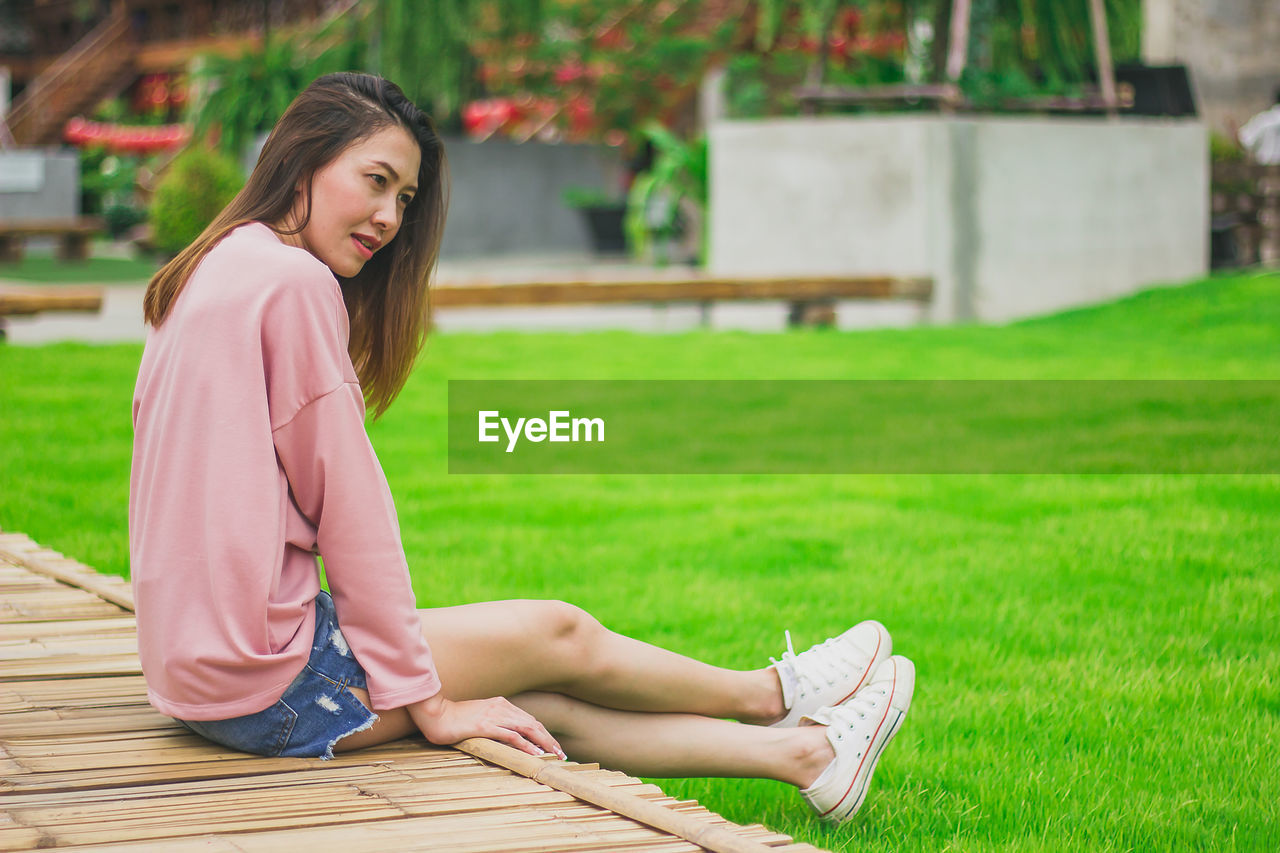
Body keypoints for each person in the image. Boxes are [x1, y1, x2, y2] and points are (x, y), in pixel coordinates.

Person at [128, 72, 915, 824]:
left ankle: (810, 756)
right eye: (375, 180)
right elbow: (350, 510)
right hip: (274, 683)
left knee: (527, 705)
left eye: (404, 197)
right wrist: (427, 701)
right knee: (557, 633)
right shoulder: (294, 285)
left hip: (199, 675)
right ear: (303, 157)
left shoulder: (204, 267)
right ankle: (772, 693)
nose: (391, 219)